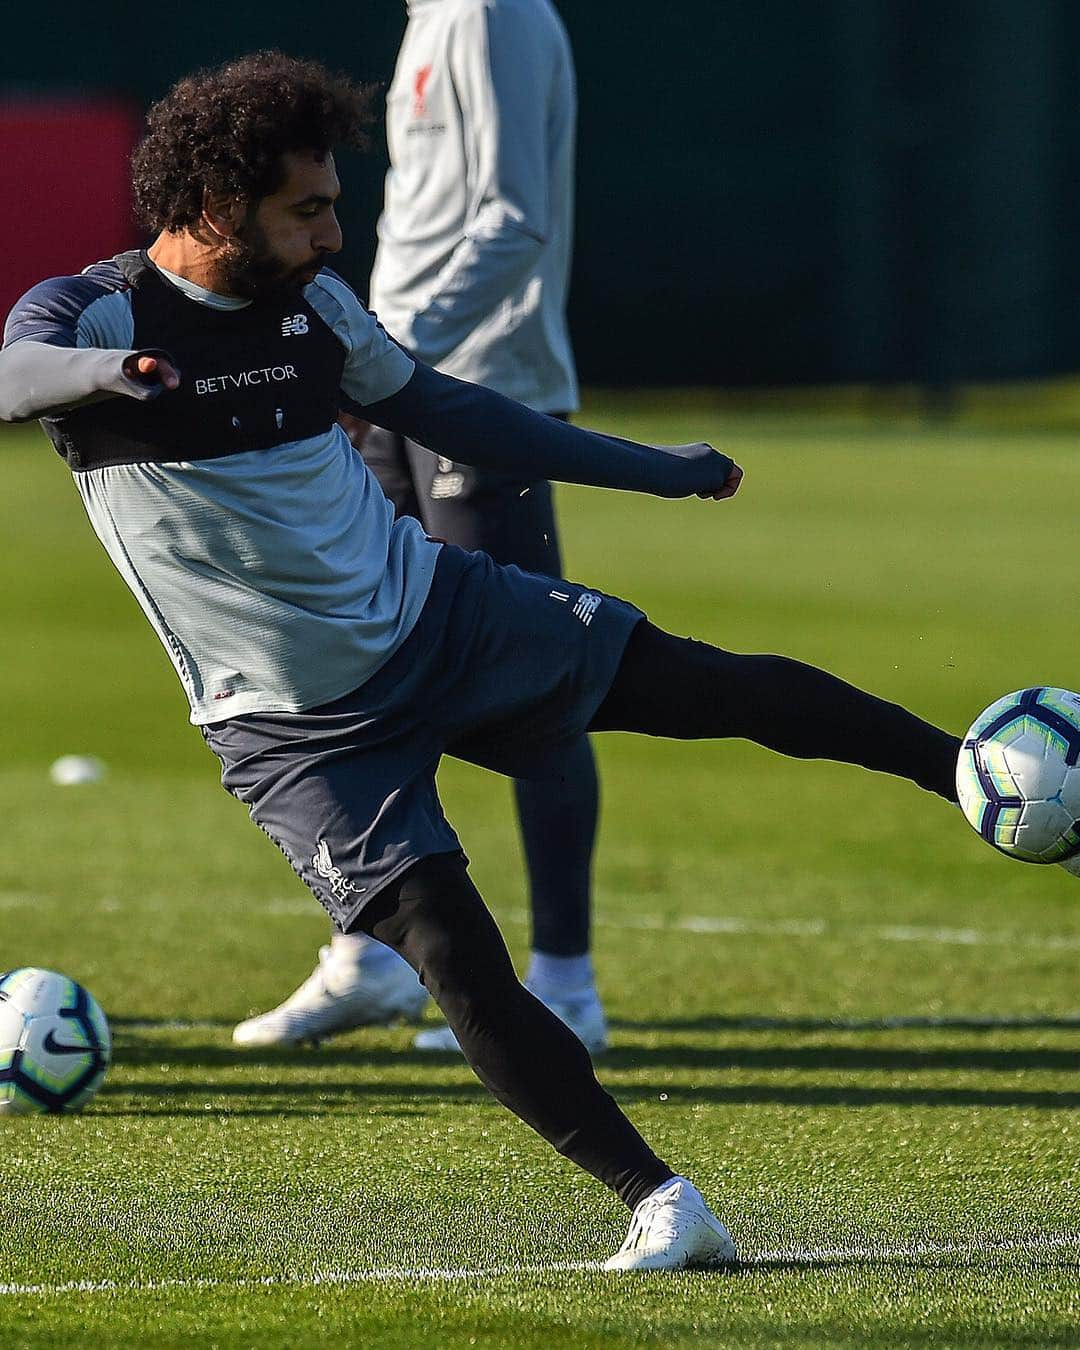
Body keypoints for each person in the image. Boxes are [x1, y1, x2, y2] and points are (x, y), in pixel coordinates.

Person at [0, 53, 964, 1271]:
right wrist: (104, 375)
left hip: (442, 616)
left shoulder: (318, 312)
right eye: (309, 210)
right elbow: (12, 375)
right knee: (454, 958)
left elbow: (450, 410)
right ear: (213, 204)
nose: (334, 234)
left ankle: (969, 775)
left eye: (334, 207)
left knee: (715, 685)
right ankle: (662, 1203)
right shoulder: (97, 313)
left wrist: (653, 468)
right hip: (294, 728)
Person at [234, 0, 606, 1056]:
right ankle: (372, 958)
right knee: (365, 662)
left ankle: (566, 983)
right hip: (404, 384)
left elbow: (513, 218)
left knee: (544, 680)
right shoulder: (436, 14)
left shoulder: (492, 13)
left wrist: (391, 358)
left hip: (470, 384)